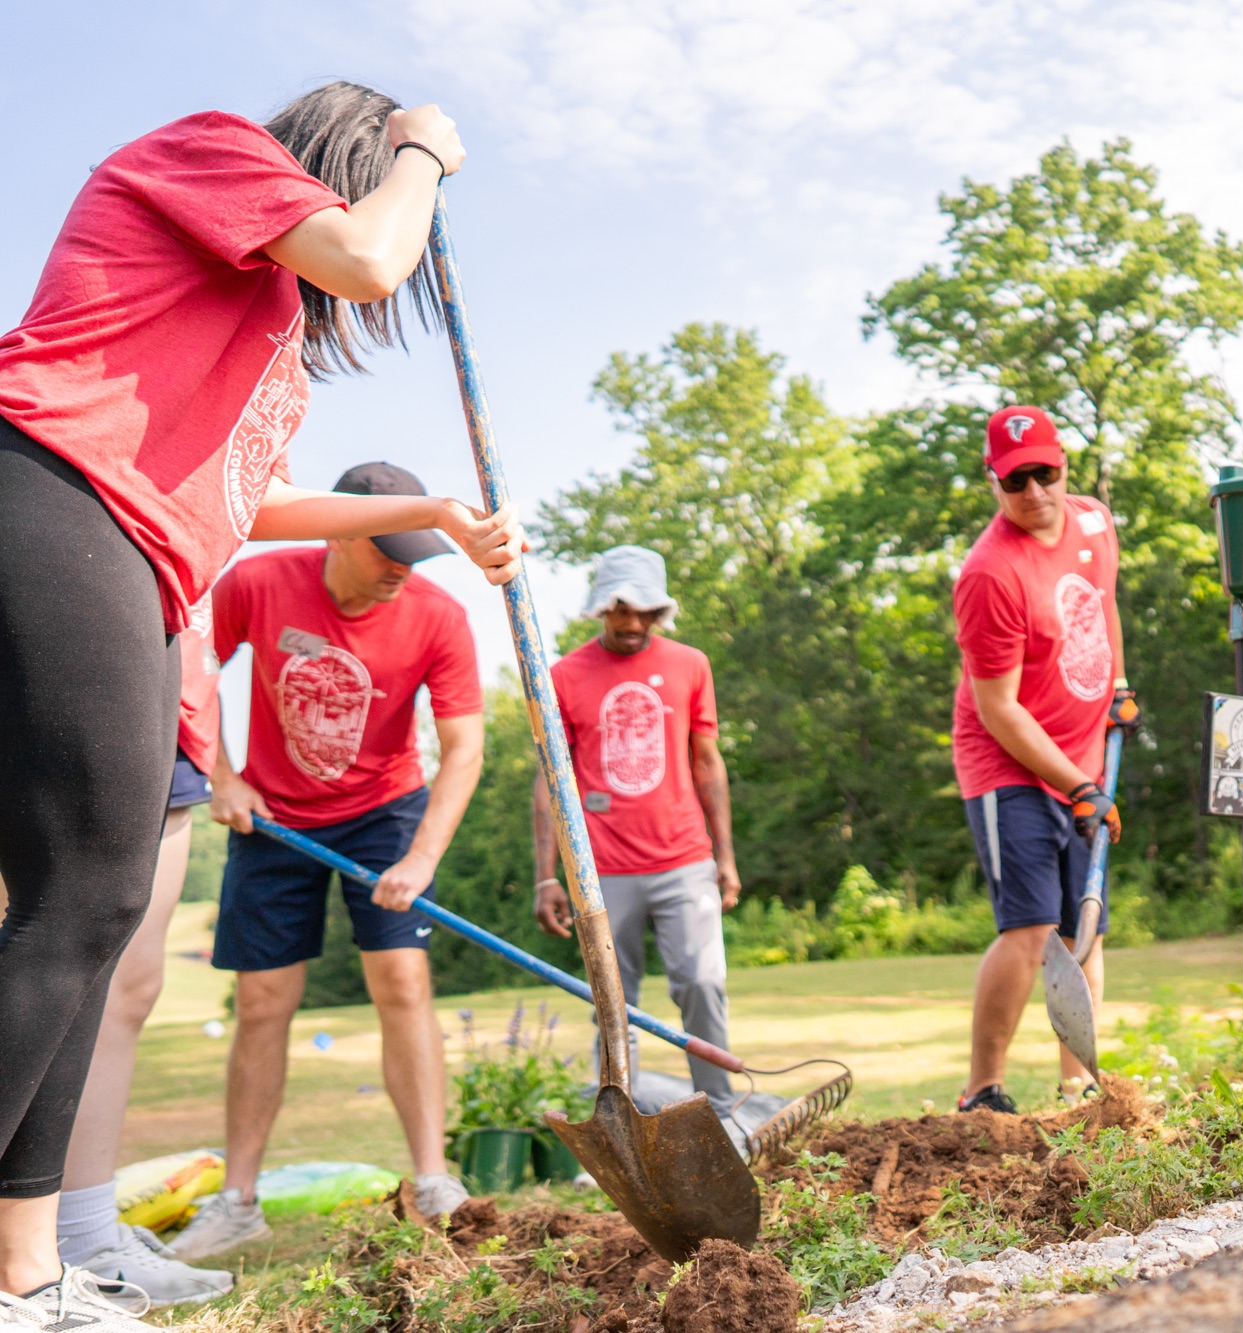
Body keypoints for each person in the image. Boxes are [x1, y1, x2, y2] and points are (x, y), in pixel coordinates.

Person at [0, 81, 522, 1326]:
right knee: (87, 896)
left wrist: (428, 511)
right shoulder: (214, 152)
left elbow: (261, 499)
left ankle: (26, 1273)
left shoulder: (259, 303)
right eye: (374, 164)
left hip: (123, 537)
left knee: (93, 901)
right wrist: (425, 155)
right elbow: (371, 254)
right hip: (55, 497)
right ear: (344, 157)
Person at [163, 463, 487, 1260]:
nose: (401, 571)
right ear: (341, 529)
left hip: (386, 812)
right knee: (265, 1001)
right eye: (389, 551)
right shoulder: (261, 580)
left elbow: (466, 746)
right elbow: (193, 663)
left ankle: (434, 1178)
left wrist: (421, 856)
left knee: (403, 982)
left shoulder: (437, 617)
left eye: (417, 554)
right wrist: (224, 773)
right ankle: (238, 1199)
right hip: (273, 816)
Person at [47, 602, 234, 1306]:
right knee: (49, 967)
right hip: (90, 674)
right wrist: (436, 513)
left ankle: (84, 1229)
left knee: (130, 987)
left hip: (175, 705)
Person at [951, 406, 1137, 1115]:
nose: (1033, 492)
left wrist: (1117, 682)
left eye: (1045, 473)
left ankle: (1078, 1083)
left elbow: (1102, 605)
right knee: (1030, 926)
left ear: (1065, 465)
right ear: (996, 483)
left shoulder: (1093, 522)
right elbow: (998, 708)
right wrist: (1078, 783)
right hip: (1011, 768)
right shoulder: (990, 574)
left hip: (1083, 755)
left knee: (1082, 925)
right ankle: (983, 1090)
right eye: (1015, 480)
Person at [534, 546, 741, 1102]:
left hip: (684, 860)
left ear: (659, 612)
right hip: (602, 870)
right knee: (613, 1002)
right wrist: (545, 874)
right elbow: (550, 780)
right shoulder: (563, 675)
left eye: (643, 611)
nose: (631, 624)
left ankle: (722, 1112)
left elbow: (706, 762)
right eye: (620, 610)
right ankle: (622, 1121)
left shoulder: (690, 664)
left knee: (701, 983)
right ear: (601, 607)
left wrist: (725, 857)